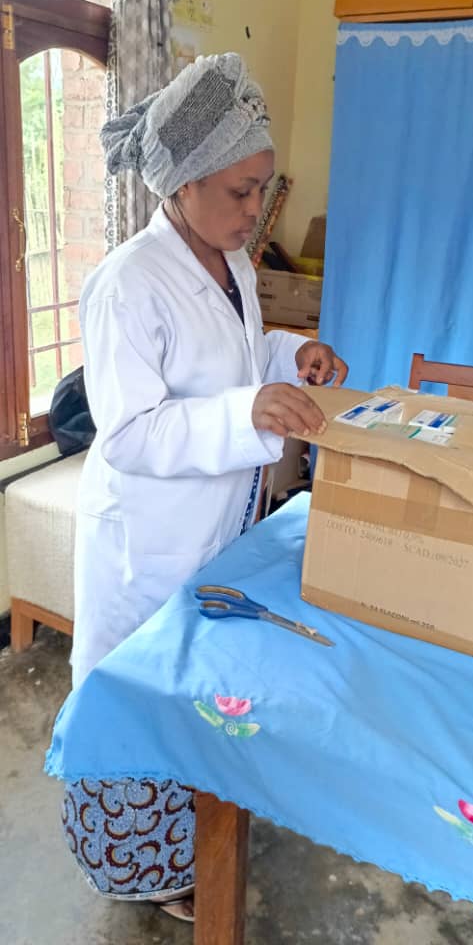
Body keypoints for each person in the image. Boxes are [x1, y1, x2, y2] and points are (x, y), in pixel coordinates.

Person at [63, 52, 348, 923]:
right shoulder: (128, 284)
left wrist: (287, 354)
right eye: (239, 190)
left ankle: (196, 842)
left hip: (212, 530)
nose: (256, 208)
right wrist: (245, 411)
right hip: (145, 545)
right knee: (138, 709)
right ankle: (140, 872)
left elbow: (234, 354)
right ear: (182, 184)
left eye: (263, 186)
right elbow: (131, 433)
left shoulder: (231, 263)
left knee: (191, 704)